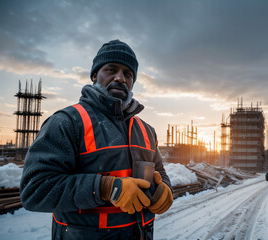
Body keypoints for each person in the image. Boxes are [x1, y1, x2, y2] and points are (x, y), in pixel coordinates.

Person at [20, 40, 173, 240]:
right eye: (111, 69)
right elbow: (35, 190)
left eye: (128, 73)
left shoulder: (146, 130)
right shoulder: (67, 122)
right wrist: (106, 187)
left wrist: (165, 190)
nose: (120, 78)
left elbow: (159, 172)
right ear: (94, 75)